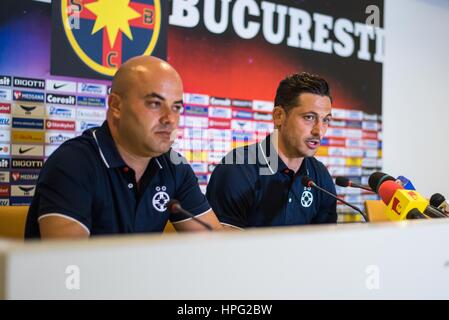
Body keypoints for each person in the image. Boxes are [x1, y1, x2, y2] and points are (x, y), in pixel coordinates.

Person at [25, 56, 222, 239]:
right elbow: (68, 268)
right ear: (116, 106)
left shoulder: (174, 167)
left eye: (176, 107)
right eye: (155, 104)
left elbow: (217, 249)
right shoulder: (74, 163)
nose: (169, 119)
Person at [206, 72, 337, 230]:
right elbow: (222, 249)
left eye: (325, 120)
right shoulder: (237, 169)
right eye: (309, 117)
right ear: (279, 116)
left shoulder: (320, 176)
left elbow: (325, 246)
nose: (319, 131)